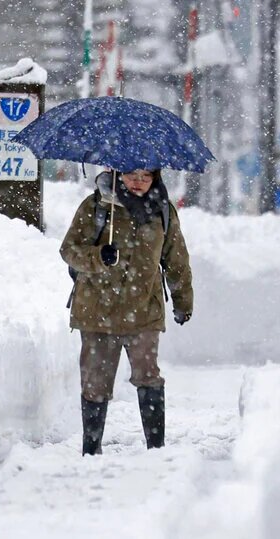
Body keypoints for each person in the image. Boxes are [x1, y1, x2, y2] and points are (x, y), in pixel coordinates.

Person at [60, 167, 193, 455]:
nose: (138, 183)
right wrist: (98, 256)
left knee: (149, 377)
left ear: (155, 179)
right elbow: (69, 250)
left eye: (146, 177)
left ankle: (156, 448)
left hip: (144, 310)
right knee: (95, 383)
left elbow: (176, 259)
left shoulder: (163, 211)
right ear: (118, 174)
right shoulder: (96, 206)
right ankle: (91, 450)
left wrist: (183, 302)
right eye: (132, 175)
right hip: (97, 312)